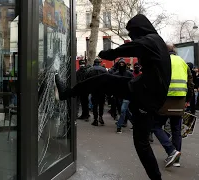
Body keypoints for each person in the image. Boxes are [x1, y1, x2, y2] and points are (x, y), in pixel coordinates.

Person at [54, 14, 175, 180]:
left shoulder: (151, 40)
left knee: (102, 80)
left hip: (144, 94)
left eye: (132, 33)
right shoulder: (157, 43)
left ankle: (66, 93)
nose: (132, 37)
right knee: (141, 143)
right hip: (147, 95)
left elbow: (134, 46)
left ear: (139, 29)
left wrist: (110, 53)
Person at [152, 44, 193, 168]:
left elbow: (155, 81)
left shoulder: (162, 61)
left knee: (155, 126)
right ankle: (176, 160)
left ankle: (171, 151)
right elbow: (190, 83)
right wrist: (188, 100)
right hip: (180, 99)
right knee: (176, 130)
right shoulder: (182, 62)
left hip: (165, 99)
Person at [114, 59, 133, 133]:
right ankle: (134, 122)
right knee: (125, 110)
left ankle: (119, 126)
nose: (121, 65)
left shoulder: (129, 74)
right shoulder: (116, 74)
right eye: (120, 64)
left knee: (123, 110)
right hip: (119, 95)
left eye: (123, 64)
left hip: (127, 95)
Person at [87, 58, 108, 126]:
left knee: (95, 105)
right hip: (102, 89)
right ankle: (100, 117)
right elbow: (107, 79)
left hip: (94, 89)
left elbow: (87, 79)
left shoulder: (90, 69)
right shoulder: (104, 69)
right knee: (101, 104)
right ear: (99, 63)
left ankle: (95, 119)